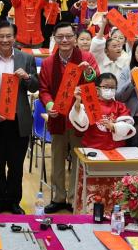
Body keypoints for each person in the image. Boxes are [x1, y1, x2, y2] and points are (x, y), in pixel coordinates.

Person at [0, 20, 40, 214]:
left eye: (9, 36)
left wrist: (27, 78)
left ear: (15, 37)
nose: (5, 40)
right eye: (1, 36)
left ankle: (13, 201)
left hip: (19, 121)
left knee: (16, 164)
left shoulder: (26, 58)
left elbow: (35, 87)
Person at [37, 21, 98, 213]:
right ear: (54, 38)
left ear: (75, 38)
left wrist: (88, 72)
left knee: (78, 157)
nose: (65, 40)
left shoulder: (87, 57)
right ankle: (58, 197)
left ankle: (74, 198)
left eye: (69, 36)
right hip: (58, 117)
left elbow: (96, 81)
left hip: (80, 117)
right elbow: (43, 89)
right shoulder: (48, 63)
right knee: (57, 158)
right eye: (60, 37)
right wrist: (49, 105)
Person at [68, 71, 136, 213]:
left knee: (115, 189)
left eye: (112, 87)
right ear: (97, 88)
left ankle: (113, 215)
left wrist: (114, 127)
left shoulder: (119, 106)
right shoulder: (90, 104)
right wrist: (78, 102)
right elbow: (81, 123)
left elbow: (128, 126)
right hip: (93, 152)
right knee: (91, 186)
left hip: (115, 153)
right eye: (106, 87)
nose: (109, 90)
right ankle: (88, 214)